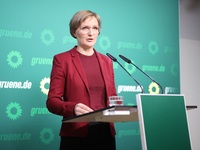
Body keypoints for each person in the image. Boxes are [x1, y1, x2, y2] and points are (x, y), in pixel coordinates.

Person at [46, 10, 117, 150]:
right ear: (74, 32)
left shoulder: (107, 61)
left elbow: (113, 96)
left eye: (95, 28)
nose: (91, 33)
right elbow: (52, 102)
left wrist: (120, 110)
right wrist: (73, 108)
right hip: (76, 136)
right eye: (85, 28)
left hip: (106, 134)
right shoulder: (62, 60)